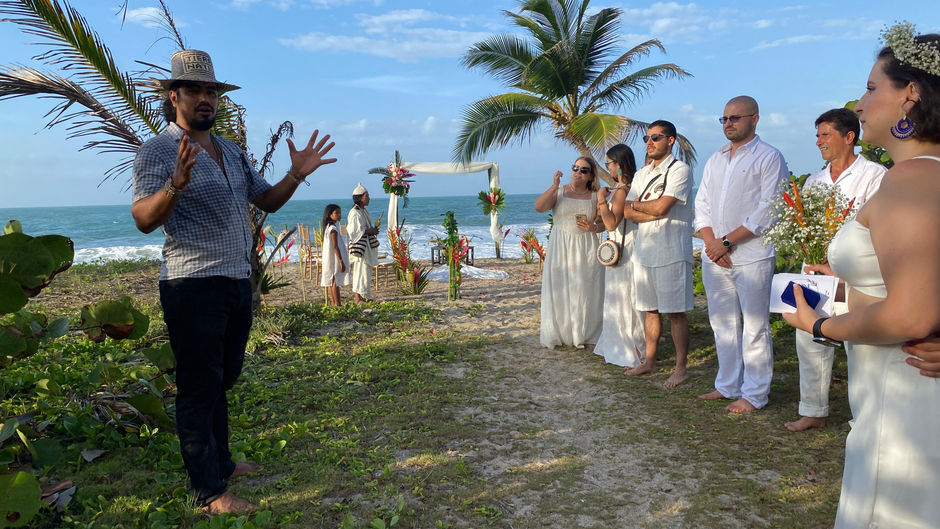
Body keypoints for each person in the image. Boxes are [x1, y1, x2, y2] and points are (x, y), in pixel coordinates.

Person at [131, 49, 336, 514]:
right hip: (191, 285)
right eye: (195, 91)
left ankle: (221, 462)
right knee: (198, 386)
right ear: (174, 96)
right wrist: (175, 185)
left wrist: (294, 174)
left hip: (235, 281)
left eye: (211, 91)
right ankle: (208, 493)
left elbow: (267, 199)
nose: (205, 99)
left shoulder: (230, 150)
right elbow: (143, 217)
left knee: (222, 379)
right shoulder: (158, 151)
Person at [783, 23, 940, 528]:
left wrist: (818, 326)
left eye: (872, 88)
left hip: (904, 396)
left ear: (910, 96)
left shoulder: (911, 180)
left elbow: (910, 313)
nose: (860, 103)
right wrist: (847, 290)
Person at [785, 108, 885, 433]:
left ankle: (867, 416)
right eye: (817, 135)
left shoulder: (875, 175)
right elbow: (807, 227)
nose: (818, 142)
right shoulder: (814, 180)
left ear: (849, 136)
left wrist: (841, 266)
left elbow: (879, 230)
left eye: (825, 134)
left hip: (855, 275)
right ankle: (813, 409)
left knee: (860, 345)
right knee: (809, 339)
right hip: (814, 269)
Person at [694, 96, 789, 413]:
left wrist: (726, 241)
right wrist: (712, 244)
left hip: (752, 256)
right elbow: (702, 205)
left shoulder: (769, 157)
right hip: (715, 256)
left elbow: (769, 209)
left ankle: (755, 394)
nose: (728, 123)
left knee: (754, 326)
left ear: (755, 119)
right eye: (723, 119)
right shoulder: (715, 159)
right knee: (721, 324)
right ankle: (728, 385)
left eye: (735, 117)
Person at [621, 121, 694, 389]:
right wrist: (645, 208)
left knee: (675, 311)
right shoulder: (642, 173)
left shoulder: (680, 170)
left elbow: (662, 207)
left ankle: (680, 367)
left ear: (671, 140)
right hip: (645, 249)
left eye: (655, 137)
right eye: (646, 138)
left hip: (671, 248)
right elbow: (625, 211)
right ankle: (649, 361)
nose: (649, 142)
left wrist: (641, 206)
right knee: (649, 309)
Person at [535, 156, 605, 348]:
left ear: (591, 175)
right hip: (561, 246)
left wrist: (594, 227)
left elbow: (604, 223)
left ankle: (584, 333)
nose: (578, 173)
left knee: (586, 291)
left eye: (584, 170)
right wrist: (554, 186)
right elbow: (539, 207)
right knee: (560, 289)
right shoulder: (559, 191)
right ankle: (561, 333)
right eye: (575, 168)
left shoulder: (595, 195)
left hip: (586, 246)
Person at [593, 144, 646, 367]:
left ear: (618, 164)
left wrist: (600, 201)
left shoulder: (622, 190)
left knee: (623, 296)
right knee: (627, 295)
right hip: (631, 244)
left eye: (608, 164)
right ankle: (632, 345)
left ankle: (630, 346)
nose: (607, 168)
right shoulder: (631, 187)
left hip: (624, 248)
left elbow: (612, 222)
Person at [347, 183, 379, 303]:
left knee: (364, 272)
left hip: (366, 247)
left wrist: (372, 230)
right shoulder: (355, 212)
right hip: (361, 247)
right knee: (360, 272)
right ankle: (358, 298)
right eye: (367, 196)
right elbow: (354, 231)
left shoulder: (362, 211)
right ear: (360, 197)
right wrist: (370, 230)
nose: (369, 198)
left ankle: (364, 296)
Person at [321, 204, 350, 305]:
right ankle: (337, 304)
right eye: (336, 213)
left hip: (329, 257)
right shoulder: (333, 228)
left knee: (330, 280)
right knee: (335, 280)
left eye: (340, 212)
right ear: (330, 215)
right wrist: (341, 261)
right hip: (334, 258)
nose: (339, 215)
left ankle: (334, 302)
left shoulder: (328, 227)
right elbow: (335, 246)